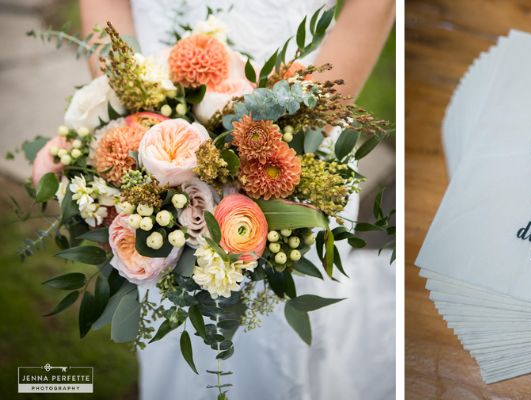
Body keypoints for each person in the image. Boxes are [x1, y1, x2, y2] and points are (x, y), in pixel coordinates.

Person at [79, 1, 395, 399]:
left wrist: (295, 137)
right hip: (150, 110)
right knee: (171, 311)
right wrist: (132, 122)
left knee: (274, 329)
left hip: (297, 128)